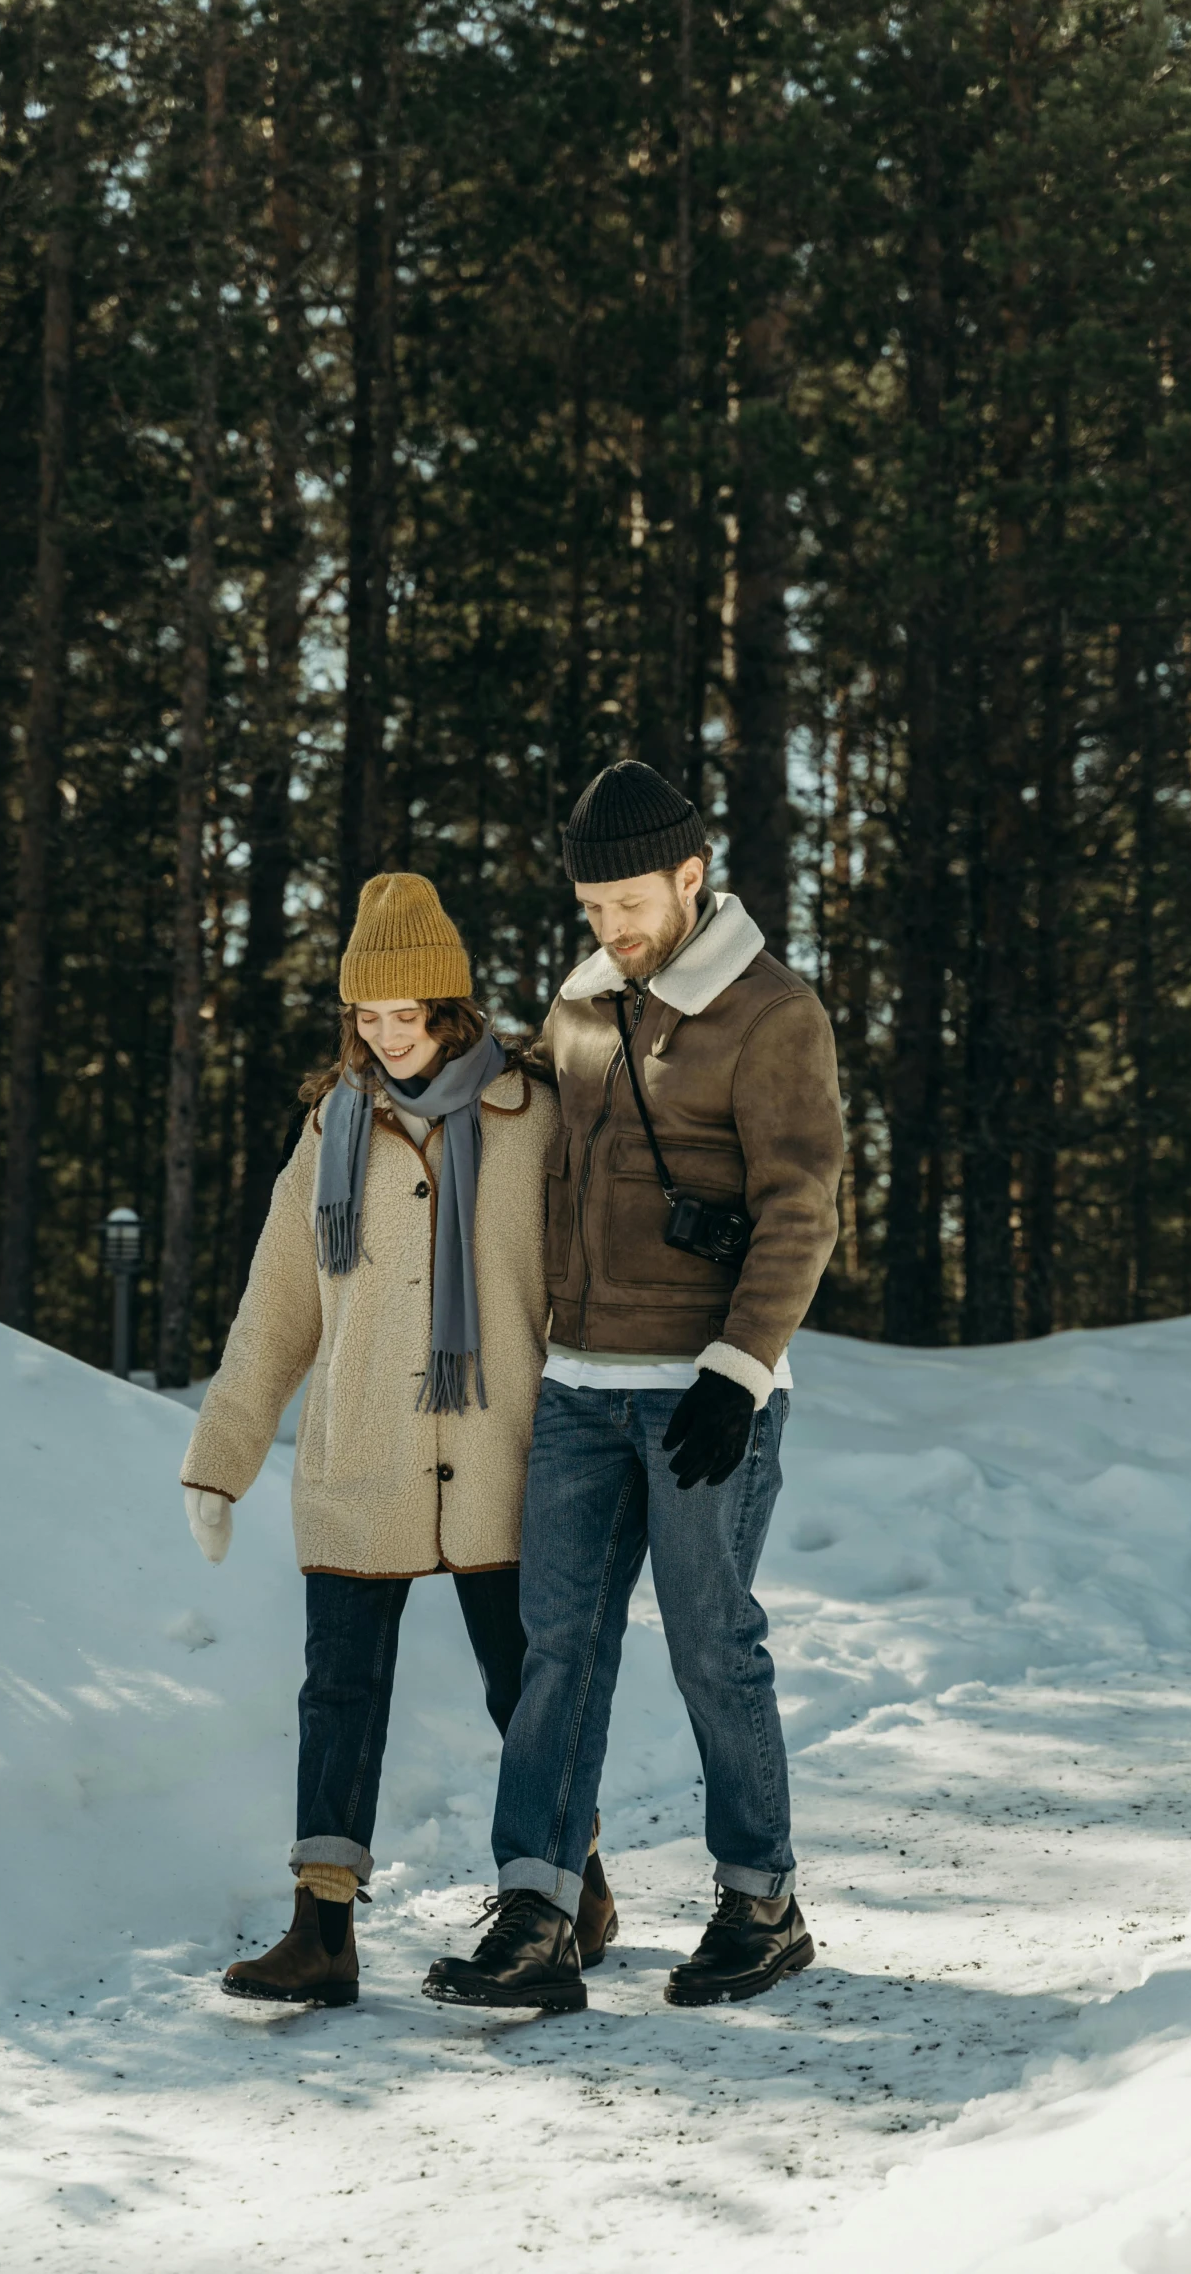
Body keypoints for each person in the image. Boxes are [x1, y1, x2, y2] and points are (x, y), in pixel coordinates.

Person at [424, 761, 843, 2013]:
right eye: (590, 907)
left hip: (703, 1393)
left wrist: (737, 1369)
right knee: (559, 1647)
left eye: (628, 903)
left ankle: (760, 1901)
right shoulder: (583, 1003)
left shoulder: (773, 1015)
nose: (609, 928)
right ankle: (540, 1911)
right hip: (578, 1385)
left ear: (691, 875)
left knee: (713, 1644)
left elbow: (801, 1208)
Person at [179, 872, 617, 2007]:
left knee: (523, 1686)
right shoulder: (334, 1126)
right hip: (359, 1454)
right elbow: (279, 1303)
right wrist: (222, 1454)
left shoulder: (532, 1115)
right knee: (339, 1691)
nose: (385, 1039)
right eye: (364, 1019)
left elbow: (590, 1280)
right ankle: (321, 1931)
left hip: (503, 1452)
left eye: (404, 1016)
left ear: (452, 1010)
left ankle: (575, 1886)